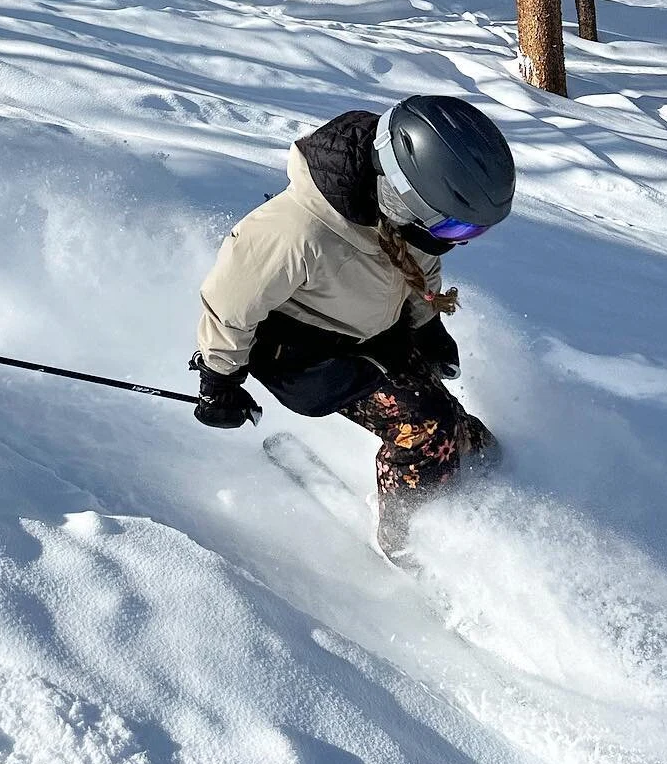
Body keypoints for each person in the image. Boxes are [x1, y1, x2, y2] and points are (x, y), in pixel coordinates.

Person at [190, 95, 514, 565]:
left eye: (470, 231)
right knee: (422, 427)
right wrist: (219, 379)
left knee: (457, 431)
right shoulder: (294, 231)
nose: (457, 240)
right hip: (304, 357)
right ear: (400, 194)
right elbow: (230, 303)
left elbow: (421, 266)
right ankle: (410, 539)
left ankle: (475, 476)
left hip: (376, 336)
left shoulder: (405, 217)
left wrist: (427, 327)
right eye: (454, 227)